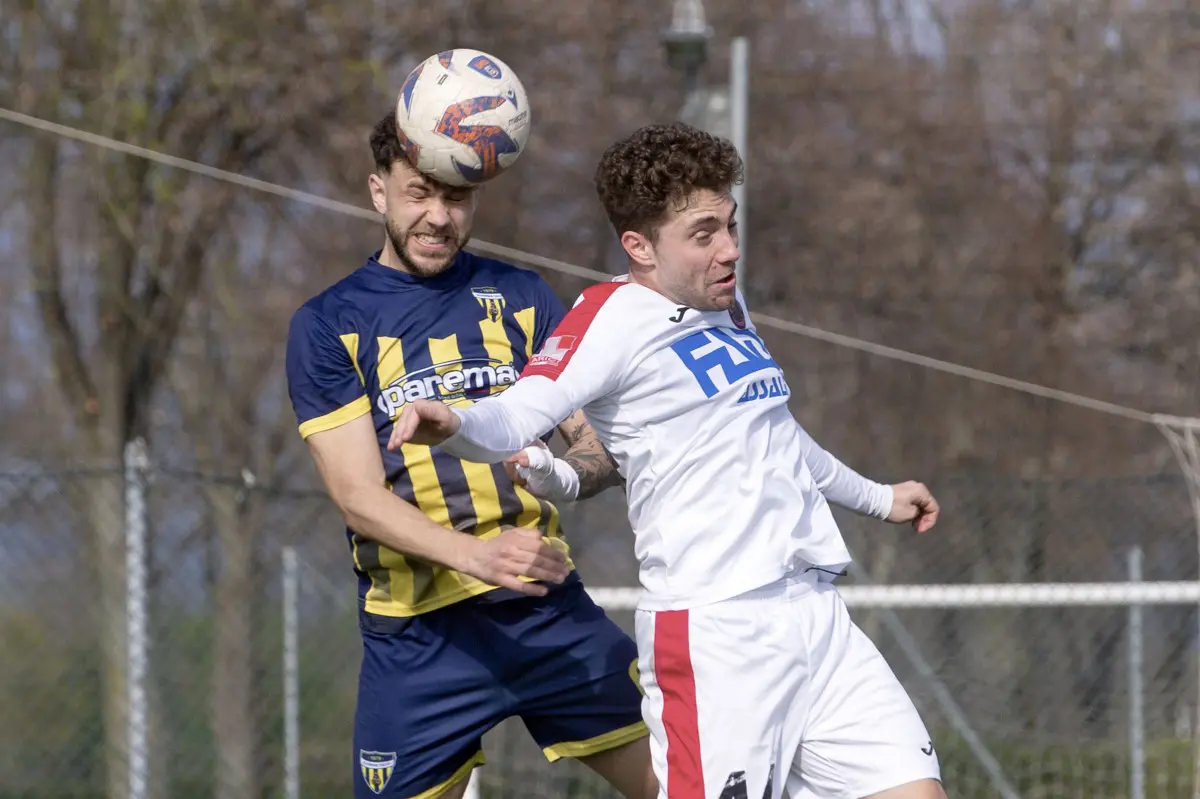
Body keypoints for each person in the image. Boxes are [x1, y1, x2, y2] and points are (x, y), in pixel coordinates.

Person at [389, 122, 949, 799]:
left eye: (731, 225)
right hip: (718, 636)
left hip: (815, 619)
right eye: (704, 233)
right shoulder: (609, 318)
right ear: (639, 246)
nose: (730, 250)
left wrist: (879, 497)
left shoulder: (728, 304)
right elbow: (519, 412)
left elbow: (775, 432)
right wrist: (454, 423)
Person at [284, 111, 655, 799]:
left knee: (689, 783)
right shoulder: (329, 324)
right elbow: (358, 498)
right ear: (377, 192)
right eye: (417, 193)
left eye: (454, 197)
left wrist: (570, 476)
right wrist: (477, 557)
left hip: (547, 613)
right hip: (418, 640)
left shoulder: (522, 297)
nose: (437, 216)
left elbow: (595, 447)